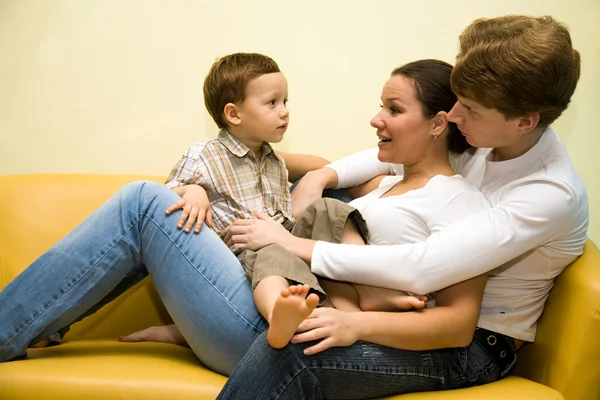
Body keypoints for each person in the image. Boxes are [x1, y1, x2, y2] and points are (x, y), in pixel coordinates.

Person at [216, 15, 588, 399]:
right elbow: (393, 156)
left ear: (525, 121)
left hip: (472, 343)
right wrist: (320, 175)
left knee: (298, 352)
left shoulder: (548, 194)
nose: (455, 116)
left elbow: (425, 267)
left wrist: (299, 250)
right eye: (457, 100)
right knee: (332, 203)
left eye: (471, 109)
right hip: (418, 300)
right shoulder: (491, 135)